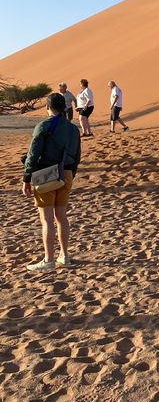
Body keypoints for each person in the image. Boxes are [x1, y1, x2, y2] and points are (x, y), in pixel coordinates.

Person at [22, 92, 81, 271]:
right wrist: (71, 174)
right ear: (64, 107)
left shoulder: (43, 126)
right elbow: (77, 154)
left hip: (46, 175)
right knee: (61, 217)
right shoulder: (72, 128)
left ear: (47, 107)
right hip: (66, 173)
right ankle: (65, 256)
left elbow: (33, 154)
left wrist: (26, 178)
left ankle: (48, 259)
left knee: (47, 219)